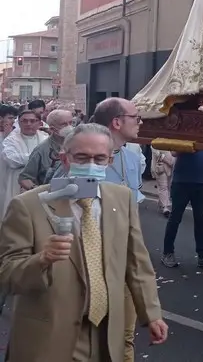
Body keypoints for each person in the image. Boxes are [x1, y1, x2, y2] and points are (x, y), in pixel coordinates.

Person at [0, 123, 168, 360]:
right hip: (50, 336)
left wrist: (151, 314)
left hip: (106, 333)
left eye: (99, 158)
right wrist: (42, 259)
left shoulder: (121, 198)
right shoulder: (28, 206)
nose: (91, 165)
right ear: (64, 158)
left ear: (110, 160)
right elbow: (6, 274)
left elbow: (137, 262)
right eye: (82, 157)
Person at [90, 98, 148, 361]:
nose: (140, 122)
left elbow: (134, 203)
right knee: (93, 332)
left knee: (125, 333)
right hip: (92, 256)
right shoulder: (87, 155)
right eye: (136, 117)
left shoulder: (133, 154)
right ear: (117, 122)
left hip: (125, 253)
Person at [161, 149, 203, 269]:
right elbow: (174, 152)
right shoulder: (188, 131)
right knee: (175, 219)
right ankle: (167, 253)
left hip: (200, 183)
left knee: (200, 221)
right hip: (181, 182)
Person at [0, 109, 48, 219]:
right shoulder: (10, 140)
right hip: (15, 183)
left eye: (32, 121)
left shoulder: (45, 139)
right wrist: (38, 158)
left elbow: (48, 160)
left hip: (39, 183)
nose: (28, 124)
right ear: (19, 123)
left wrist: (26, 157)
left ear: (39, 123)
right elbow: (11, 159)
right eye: (24, 121)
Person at [19, 108, 74, 190]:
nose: (69, 127)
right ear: (52, 129)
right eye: (64, 124)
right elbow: (24, 178)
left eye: (71, 123)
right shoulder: (42, 150)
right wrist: (38, 191)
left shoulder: (80, 144)